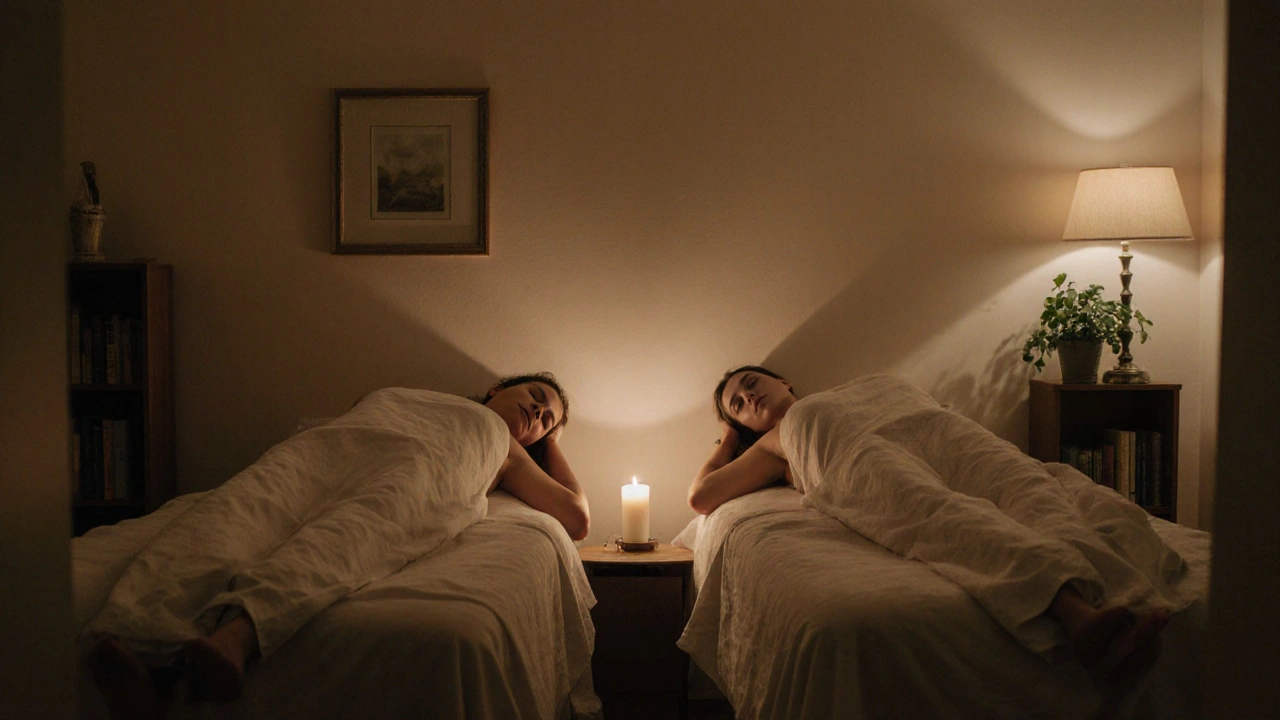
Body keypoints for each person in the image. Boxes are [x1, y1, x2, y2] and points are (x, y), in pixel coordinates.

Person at [87, 373, 589, 719]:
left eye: (547, 419)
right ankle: (136, 639)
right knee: (234, 516)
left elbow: (577, 517)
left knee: (344, 539)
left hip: (415, 478)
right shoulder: (405, 393)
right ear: (501, 386)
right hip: (329, 452)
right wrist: (547, 429)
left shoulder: (505, 445)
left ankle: (235, 638)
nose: (540, 411)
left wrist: (548, 442)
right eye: (537, 394)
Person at [688, 365, 1171, 678]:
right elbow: (702, 497)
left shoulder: (865, 386)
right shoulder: (780, 441)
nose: (748, 398)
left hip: (936, 431)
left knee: (1033, 489)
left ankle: (1122, 594)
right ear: (744, 428)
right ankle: (1079, 617)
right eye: (737, 406)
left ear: (786, 381)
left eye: (752, 385)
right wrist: (728, 440)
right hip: (860, 460)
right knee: (949, 518)